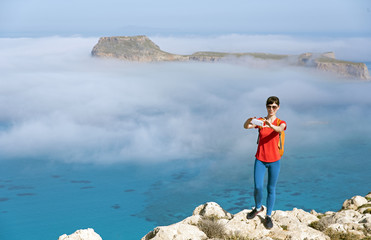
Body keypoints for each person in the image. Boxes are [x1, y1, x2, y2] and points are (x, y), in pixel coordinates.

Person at [243, 96, 287, 229]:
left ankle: (268, 216)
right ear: (266, 107)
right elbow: (246, 127)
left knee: (271, 188)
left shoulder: (280, 122)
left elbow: (280, 129)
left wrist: (270, 125)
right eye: (269, 106)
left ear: (278, 107)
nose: (271, 109)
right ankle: (258, 208)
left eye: (274, 106)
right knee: (257, 187)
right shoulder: (261, 121)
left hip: (274, 161)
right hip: (260, 159)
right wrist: (249, 120)